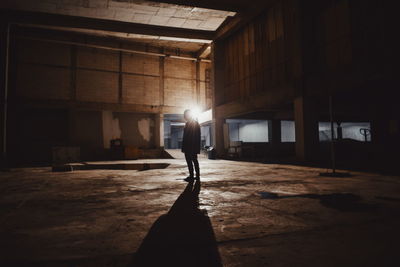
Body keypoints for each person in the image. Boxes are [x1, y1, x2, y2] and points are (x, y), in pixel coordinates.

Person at [182, 109, 201, 182]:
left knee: (192, 161)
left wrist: (192, 148)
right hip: (190, 147)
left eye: (186, 115)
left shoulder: (193, 123)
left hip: (191, 147)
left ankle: (194, 176)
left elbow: (194, 137)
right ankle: (194, 176)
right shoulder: (190, 123)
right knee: (192, 161)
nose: (185, 116)